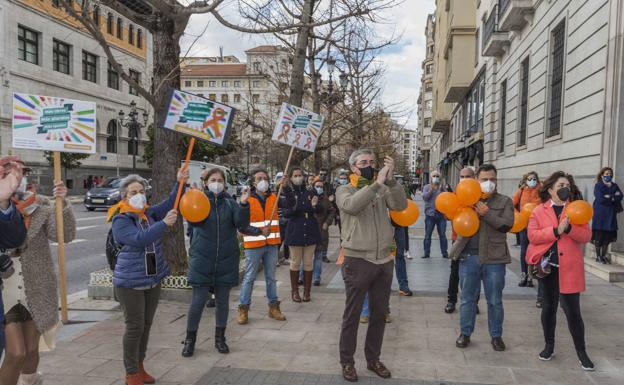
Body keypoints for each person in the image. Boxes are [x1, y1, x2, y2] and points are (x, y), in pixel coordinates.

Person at [336, 150, 407, 382]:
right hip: (358, 260)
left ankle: (373, 359)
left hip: (384, 260)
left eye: (372, 162)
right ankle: (347, 362)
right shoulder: (344, 189)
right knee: (352, 315)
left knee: (379, 313)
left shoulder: (383, 187)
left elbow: (400, 205)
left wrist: (392, 180)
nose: (369, 165)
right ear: (353, 168)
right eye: (363, 162)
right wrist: (376, 185)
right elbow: (352, 206)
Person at [0, 165, 74, 385]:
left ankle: (30, 379)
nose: (16, 177)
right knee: (16, 353)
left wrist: (63, 205)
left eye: (20, 172)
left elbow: (65, 236)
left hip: (36, 285)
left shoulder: (41, 203)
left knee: (32, 349)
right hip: (6, 290)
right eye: (8, 172)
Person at [109, 172, 183, 385]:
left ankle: (140, 366)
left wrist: (180, 181)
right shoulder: (120, 219)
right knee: (134, 327)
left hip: (152, 279)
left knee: (146, 325)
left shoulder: (148, 213)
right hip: (130, 283)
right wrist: (163, 224)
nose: (139, 195)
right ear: (124, 196)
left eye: (141, 191)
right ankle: (131, 372)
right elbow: (139, 239)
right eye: (133, 192)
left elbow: (172, 202)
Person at [526, 171, 595, 371]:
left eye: (567, 185)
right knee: (548, 308)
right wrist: (556, 231)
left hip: (570, 268)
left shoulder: (576, 209)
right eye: (560, 185)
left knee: (573, 311)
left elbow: (586, 236)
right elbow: (533, 236)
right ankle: (549, 345)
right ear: (550, 189)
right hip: (548, 269)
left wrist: (570, 228)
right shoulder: (539, 211)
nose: (565, 188)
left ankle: (582, 352)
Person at [181, 168, 250, 357]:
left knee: (223, 302)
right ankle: (189, 340)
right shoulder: (200, 201)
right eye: (213, 179)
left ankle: (220, 339)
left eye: (220, 180)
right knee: (197, 302)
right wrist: (191, 198)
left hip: (226, 260)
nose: (216, 183)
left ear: (225, 183)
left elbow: (241, 225)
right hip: (202, 259)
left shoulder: (230, 204)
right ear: (206, 183)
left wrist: (244, 205)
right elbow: (194, 222)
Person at [450, 164, 514, 352]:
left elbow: (506, 226)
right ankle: (465, 333)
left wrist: (486, 214)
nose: (489, 183)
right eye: (484, 179)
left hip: (494, 259)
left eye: (492, 179)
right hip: (468, 256)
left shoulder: (504, 201)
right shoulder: (466, 199)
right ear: (476, 180)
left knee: (495, 300)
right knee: (467, 299)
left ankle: (496, 335)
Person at [238, 169, 287, 324]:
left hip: (271, 244)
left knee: (271, 278)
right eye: (259, 178)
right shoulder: (248, 200)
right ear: (254, 182)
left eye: (265, 178)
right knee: (249, 277)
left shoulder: (275, 197)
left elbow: (291, 204)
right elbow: (241, 225)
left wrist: (285, 187)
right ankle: (243, 309)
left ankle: (273, 307)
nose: (262, 181)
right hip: (253, 244)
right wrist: (259, 231)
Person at [283, 167, 321, 302]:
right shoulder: (289, 192)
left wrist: (314, 206)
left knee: (309, 263)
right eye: (295, 175)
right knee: (295, 262)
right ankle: (295, 291)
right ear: (292, 177)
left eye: (300, 175)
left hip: (310, 230)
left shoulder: (310, 191)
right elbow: (286, 212)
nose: (298, 177)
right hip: (295, 231)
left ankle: (307, 292)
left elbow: (320, 208)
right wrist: (296, 208)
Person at [445, 167, 478, 314]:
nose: (464, 179)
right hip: (457, 239)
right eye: (462, 176)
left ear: (474, 177)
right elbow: (448, 215)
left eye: (468, 176)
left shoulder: (479, 195)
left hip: (475, 241)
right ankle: (451, 300)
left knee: (475, 273)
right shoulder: (455, 195)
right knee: (455, 272)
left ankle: (473, 302)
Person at [300, 178, 336, 286]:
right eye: (317, 186)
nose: (319, 188)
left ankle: (316, 278)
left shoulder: (325, 200)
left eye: (321, 186)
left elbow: (332, 211)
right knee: (306, 257)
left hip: (321, 231)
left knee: (318, 256)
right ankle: (302, 277)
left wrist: (327, 222)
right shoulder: (307, 197)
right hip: (308, 231)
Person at [512, 171, 542, 287]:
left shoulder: (541, 191)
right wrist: (517, 215)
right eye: (529, 179)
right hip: (524, 225)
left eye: (534, 178)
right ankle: (524, 274)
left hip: (537, 226)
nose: (532, 181)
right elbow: (512, 203)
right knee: (524, 250)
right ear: (525, 180)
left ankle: (532, 275)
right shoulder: (521, 191)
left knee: (535, 251)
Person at [591, 167, 622, 264]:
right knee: (599, 236)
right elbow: (600, 198)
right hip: (600, 214)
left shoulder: (615, 185)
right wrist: (613, 198)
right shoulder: (598, 185)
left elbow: (620, 196)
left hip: (610, 214)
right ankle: (598, 256)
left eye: (610, 173)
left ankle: (603, 256)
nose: (609, 175)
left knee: (607, 237)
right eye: (607, 173)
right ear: (602, 175)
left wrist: (609, 197)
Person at [422, 171, 449, 259]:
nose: (435, 177)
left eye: (437, 176)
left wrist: (442, 189)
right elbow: (425, 198)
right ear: (430, 177)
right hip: (430, 214)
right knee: (427, 235)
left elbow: (448, 198)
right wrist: (431, 190)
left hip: (441, 214)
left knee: (442, 234)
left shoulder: (442, 187)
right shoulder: (427, 187)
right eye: (434, 176)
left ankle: (444, 253)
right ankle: (426, 253)